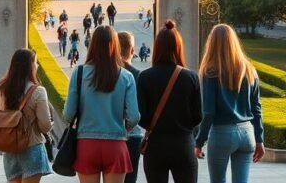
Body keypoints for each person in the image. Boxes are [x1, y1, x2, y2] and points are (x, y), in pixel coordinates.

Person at [63, 26, 141, 183]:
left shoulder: (79, 73)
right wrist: (122, 127)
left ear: (92, 45)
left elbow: (68, 114)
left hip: (87, 144)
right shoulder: (126, 77)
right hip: (116, 144)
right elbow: (133, 117)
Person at [196, 24, 264, 183]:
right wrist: (259, 139)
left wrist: (199, 141)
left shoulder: (211, 72)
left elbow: (209, 112)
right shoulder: (249, 69)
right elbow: (257, 108)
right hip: (247, 132)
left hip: (222, 133)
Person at [138, 20, 202, 183]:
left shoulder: (145, 77)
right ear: (178, 48)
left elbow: (141, 117)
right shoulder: (190, 77)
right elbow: (198, 116)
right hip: (183, 143)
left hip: (156, 145)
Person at [0, 49, 53, 183]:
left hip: (9, 150)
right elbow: (45, 126)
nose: (37, 66)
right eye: (36, 62)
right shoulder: (38, 91)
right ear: (30, 66)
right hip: (32, 147)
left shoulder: (2, 90)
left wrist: (6, 120)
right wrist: (51, 123)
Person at [118, 31, 144, 183]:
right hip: (133, 134)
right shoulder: (138, 75)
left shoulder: (108, 73)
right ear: (132, 50)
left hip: (112, 133)